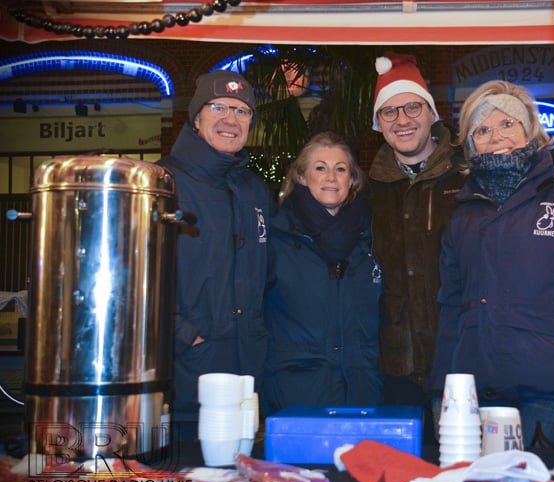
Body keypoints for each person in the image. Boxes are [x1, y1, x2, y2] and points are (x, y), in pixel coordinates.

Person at [429, 79, 554, 446]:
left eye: (507, 123)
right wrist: (441, 388)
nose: (496, 135)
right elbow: (450, 306)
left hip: (548, 387)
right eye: (482, 129)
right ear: (470, 143)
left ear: (531, 131)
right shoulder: (463, 215)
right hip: (474, 388)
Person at [157, 70, 275, 441]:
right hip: (185, 376)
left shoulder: (256, 191)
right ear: (197, 117)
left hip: (249, 378)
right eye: (219, 107)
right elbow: (134, 279)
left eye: (242, 111)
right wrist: (185, 335)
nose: (230, 119)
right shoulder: (163, 184)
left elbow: (268, 276)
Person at [367, 52, 468, 406]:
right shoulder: (368, 191)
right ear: (379, 123)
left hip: (462, 359)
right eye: (389, 111)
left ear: (430, 113)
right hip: (397, 364)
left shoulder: (468, 176)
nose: (402, 120)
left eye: (412, 107)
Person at [262, 132, 384, 414]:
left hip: (362, 391)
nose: (331, 176)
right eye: (320, 167)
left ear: (352, 180)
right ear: (302, 176)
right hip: (297, 393)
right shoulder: (275, 239)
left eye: (340, 169)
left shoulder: (374, 238)